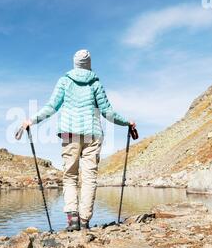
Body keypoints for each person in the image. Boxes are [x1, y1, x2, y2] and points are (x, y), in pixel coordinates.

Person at [22, 49, 135, 231]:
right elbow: (108, 112)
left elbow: (51, 107)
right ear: (89, 64)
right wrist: (126, 122)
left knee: (70, 176)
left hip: (69, 134)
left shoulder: (65, 81)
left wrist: (31, 121)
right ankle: (84, 221)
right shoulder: (95, 83)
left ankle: (72, 220)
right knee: (90, 178)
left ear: (74, 64)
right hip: (93, 134)